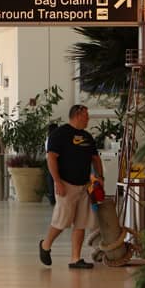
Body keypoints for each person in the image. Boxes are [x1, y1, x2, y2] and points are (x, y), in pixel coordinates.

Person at [39, 105, 104, 269]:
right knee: (62, 221)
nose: (88, 118)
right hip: (66, 184)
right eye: (86, 115)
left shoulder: (88, 137)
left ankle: (75, 259)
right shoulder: (60, 134)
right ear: (77, 115)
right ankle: (45, 245)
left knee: (81, 223)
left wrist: (99, 177)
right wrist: (57, 181)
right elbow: (51, 158)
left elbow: (95, 158)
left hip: (84, 185)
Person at [45, 123, 59, 205]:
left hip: (49, 160)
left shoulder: (48, 138)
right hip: (53, 161)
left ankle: (52, 198)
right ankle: (53, 198)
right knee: (52, 179)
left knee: (51, 179)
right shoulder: (52, 139)